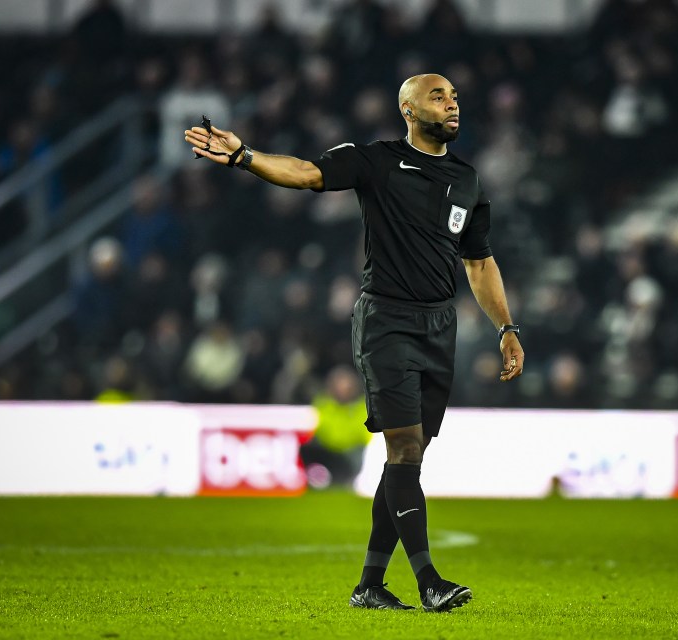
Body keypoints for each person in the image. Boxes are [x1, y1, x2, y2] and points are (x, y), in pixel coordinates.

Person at [185, 73, 525, 613]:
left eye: (456, 96)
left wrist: (506, 328)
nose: (453, 103)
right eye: (439, 96)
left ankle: (370, 584)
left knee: (406, 463)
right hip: (386, 321)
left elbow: (479, 262)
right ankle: (429, 581)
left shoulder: (468, 179)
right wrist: (246, 155)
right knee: (405, 448)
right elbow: (305, 173)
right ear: (408, 110)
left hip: (441, 326)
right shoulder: (375, 161)